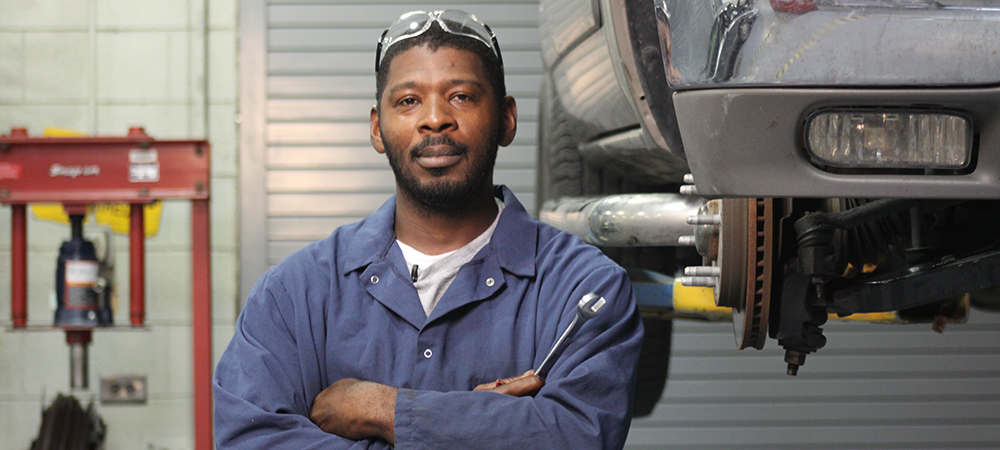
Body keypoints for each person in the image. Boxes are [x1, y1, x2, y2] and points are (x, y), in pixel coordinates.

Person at [213, 10, 643, 449]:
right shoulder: (293, 294)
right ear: (377, 129)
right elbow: (252, 439)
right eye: (408, 101)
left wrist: (382, 408)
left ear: (507, 119)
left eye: (461, 97)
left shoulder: (584, 291)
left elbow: (577, 437)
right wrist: (482, 424)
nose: (435, 119)